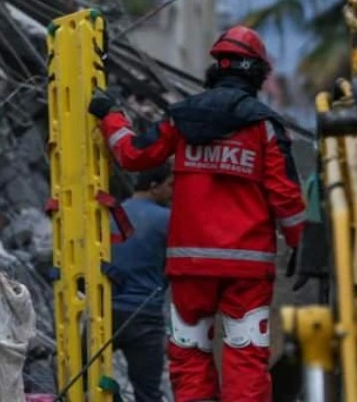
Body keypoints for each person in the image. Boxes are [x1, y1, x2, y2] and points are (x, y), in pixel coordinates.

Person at [89, 25, 306, 402]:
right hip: (247, 268)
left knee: (189, 354)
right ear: (256, 72)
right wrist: (301, 249)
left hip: (189, 265)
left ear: (216, 69)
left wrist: (111, 115)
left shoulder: (180, 120)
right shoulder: (265, 127)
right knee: (245, 355)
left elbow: (133, 154)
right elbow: (286, 197)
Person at [105, 164, 173, 402]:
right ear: (154, 187)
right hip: (145, 316)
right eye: (170, 186)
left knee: (86, 379)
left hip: (106, 311)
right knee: (148, 393)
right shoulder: (168, 219)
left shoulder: (109, 214)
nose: (173, 193)